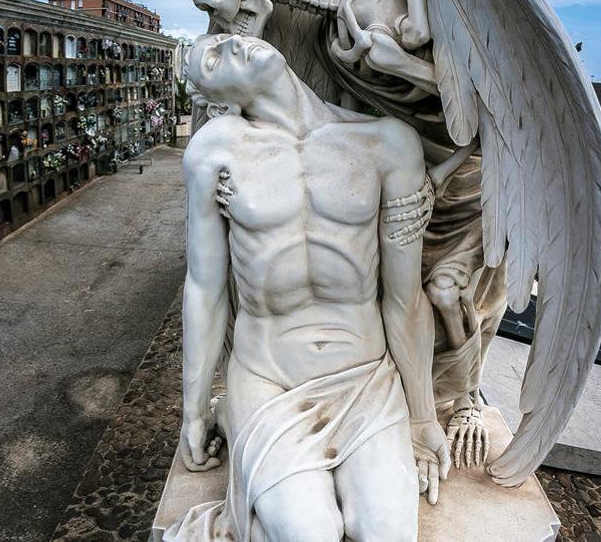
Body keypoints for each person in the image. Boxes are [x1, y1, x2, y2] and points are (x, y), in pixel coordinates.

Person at [168, 34, 449, 541]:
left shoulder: (387, 142)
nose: (231, 45)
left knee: (387, 531)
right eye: (211, 58)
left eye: (228, 39)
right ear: (219, 101)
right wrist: (193, 410)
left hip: (366, 376)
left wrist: (422, 417)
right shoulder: (216, 151)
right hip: (268, 377)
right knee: (308, 532)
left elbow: (404, 299)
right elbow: (205, 290)